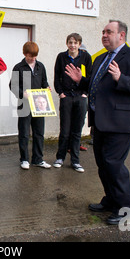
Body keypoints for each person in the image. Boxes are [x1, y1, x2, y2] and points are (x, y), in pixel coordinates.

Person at [65, 20, 130, 225]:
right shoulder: (101, 58)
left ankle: (124, 211)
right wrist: (81, 81)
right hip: (100, 122)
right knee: (103, 165)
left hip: (120, 122)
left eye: (109, 32)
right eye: (103, 32)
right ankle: (111, 200)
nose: (104, 35)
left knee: (114, 165)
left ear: (121, 35)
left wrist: (121, 78)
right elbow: (97, 86)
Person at [9, 41, 52, 170]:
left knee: (39, 133)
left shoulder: (40, 66)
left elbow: (44, 82)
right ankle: (24, 160)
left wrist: (47, 88)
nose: (32, 58)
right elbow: (13, 85)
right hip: (24, 105)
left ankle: (38, 159)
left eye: (34, 56)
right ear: (24, 54)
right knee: (24, 133)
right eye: (29, 56)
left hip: (39, 105)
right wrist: (23, 94)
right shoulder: (18, 67)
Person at [53, 33, 92, 173]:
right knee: (65, 130)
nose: (72, 45)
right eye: (70, 42)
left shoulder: (86, 57)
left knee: (77, 131)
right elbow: (57, 76)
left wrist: (85, 93)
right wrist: (61, 93)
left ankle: (75, 161)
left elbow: (90, 76)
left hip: (80, 97)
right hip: (66, 97)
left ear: (79, 44)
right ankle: (60, 158)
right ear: (67, 43)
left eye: (75, 43)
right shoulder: (61, 57)